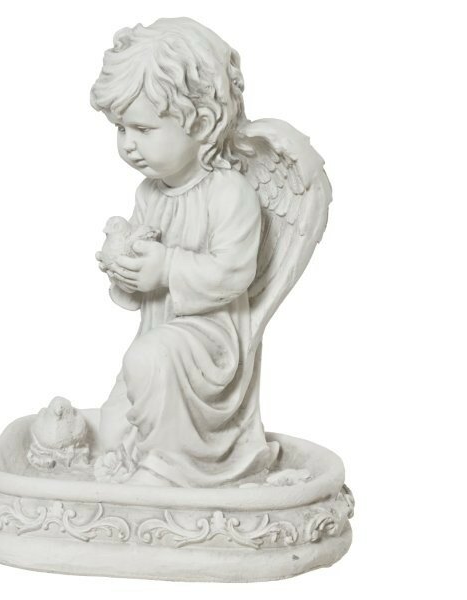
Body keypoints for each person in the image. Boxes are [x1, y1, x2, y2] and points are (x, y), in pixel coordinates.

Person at [90, 18, 279, 487]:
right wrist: (125, 269)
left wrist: (167, 267)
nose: (128, 144)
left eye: (142, 128)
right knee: (113, 431)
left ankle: (167, 471)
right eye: (120, 128)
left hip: (209, 344)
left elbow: (234, 271)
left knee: (148, 361)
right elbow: (145, 282)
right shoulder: (150, 194)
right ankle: (151, 460)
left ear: (203, 123)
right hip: (160, 335)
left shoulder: (229, 192)